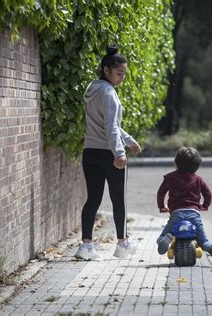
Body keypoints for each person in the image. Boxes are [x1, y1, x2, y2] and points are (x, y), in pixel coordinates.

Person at [75, 45, 141, 260]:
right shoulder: (109, 93)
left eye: (124, 74)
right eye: (118, 73)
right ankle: (122, 244)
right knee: (118, 199)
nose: (122, 78)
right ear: (106, 70)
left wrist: (129, 141)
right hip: (108, 155)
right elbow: (111, 127)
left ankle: (86, 247)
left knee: (92, 199)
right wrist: (119, 153)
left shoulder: (91, 90)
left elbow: (109, 124)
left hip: (90, 152)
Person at [156, 147, 212, 269]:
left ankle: (167, 238)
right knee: (203, 241)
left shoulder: (169, 177)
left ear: (176, 163)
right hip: (194, 215)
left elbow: (161, 193)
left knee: (161, 237)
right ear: (197, 166)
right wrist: (205, 205)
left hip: (176, 215)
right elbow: (208, 194)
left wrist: (162, 206)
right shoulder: (198, 179)